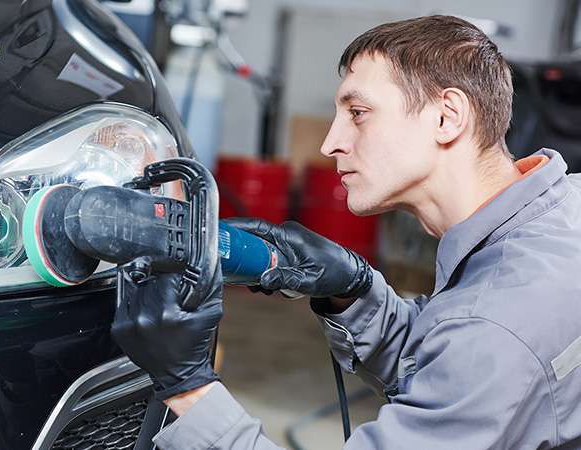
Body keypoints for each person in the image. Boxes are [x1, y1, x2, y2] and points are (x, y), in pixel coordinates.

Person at [112, 15, 581, 449]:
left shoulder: (497, 323)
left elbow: (481, 353)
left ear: (446, 117)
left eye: (358, 113)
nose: (330, 142)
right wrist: (355, 292)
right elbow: (457, 372)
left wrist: (188, 387)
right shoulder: (561, 213)